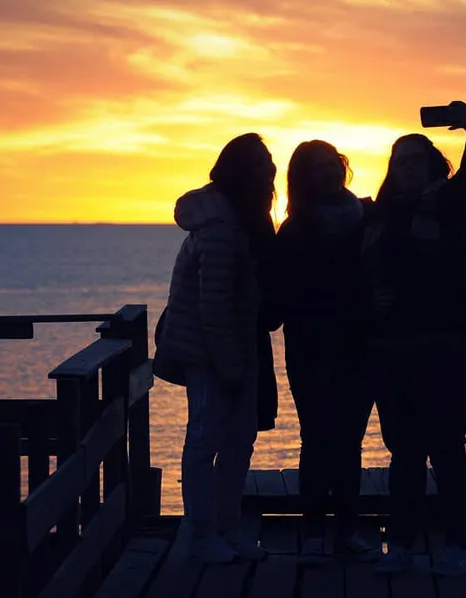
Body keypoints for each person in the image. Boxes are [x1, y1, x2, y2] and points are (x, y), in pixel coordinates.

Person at [363, 101, 466, 576]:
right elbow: (354, 271)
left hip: (449, 349)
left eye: (416, 159)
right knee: (405, 451)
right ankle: (405, 543)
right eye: (399, 161)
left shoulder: (455, 204)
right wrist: (368, 300)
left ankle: (458, 543)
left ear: (435, 165)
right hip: (392, 352)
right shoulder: (378, 217)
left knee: (448, 446)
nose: (407, 168)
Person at [155, 133, 277, 563]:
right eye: (261, 171)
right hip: (210, 354)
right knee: (206, 440)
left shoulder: (240, 222)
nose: (268, 178)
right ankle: (203, 535)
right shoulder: (222, 231)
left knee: (238, 441)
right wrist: (230, 365)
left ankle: (227, 530)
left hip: (236, 350)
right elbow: (215, 307)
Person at [274, 140, 378, 565]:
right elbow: (284, 297)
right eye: (317, 168)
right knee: (317, 440)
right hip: (312, 349)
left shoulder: (365, 218)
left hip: (359, 347)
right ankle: (315, 531)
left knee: (349, 443)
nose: (330, 172)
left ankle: (347, 530)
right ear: (304, 178)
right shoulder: (295, 229)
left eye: (333, 163)